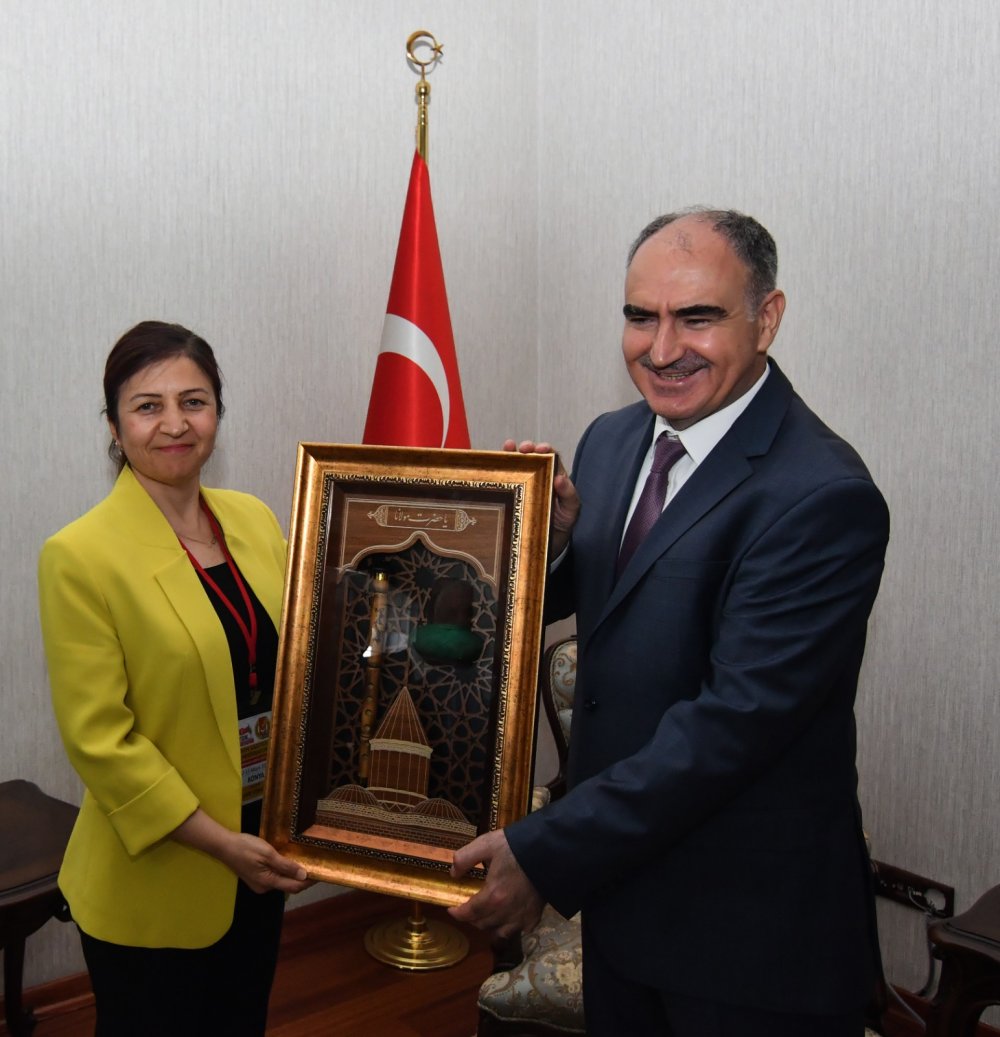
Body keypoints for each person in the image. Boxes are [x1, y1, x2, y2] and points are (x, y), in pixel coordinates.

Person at [450, 209, 890, 1037]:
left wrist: (545, 850)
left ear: (766, 318)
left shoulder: (821, 494)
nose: (660, 349)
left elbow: (733, 726)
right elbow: (616, 600)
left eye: (696, 317)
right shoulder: (613, 441)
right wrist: (552, 546)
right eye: (639, 316)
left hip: (748, 936)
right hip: (623, 902)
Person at [38, 321, 311, 1037]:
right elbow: (102, 741)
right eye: (147, 405)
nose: (175, 423)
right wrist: (223, 843)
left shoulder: (254, 519)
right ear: (114, 425)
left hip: (262, 845)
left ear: (218, 411)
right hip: (159, 874)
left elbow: (293, 668)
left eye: (194, 401)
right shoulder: (79, 555)